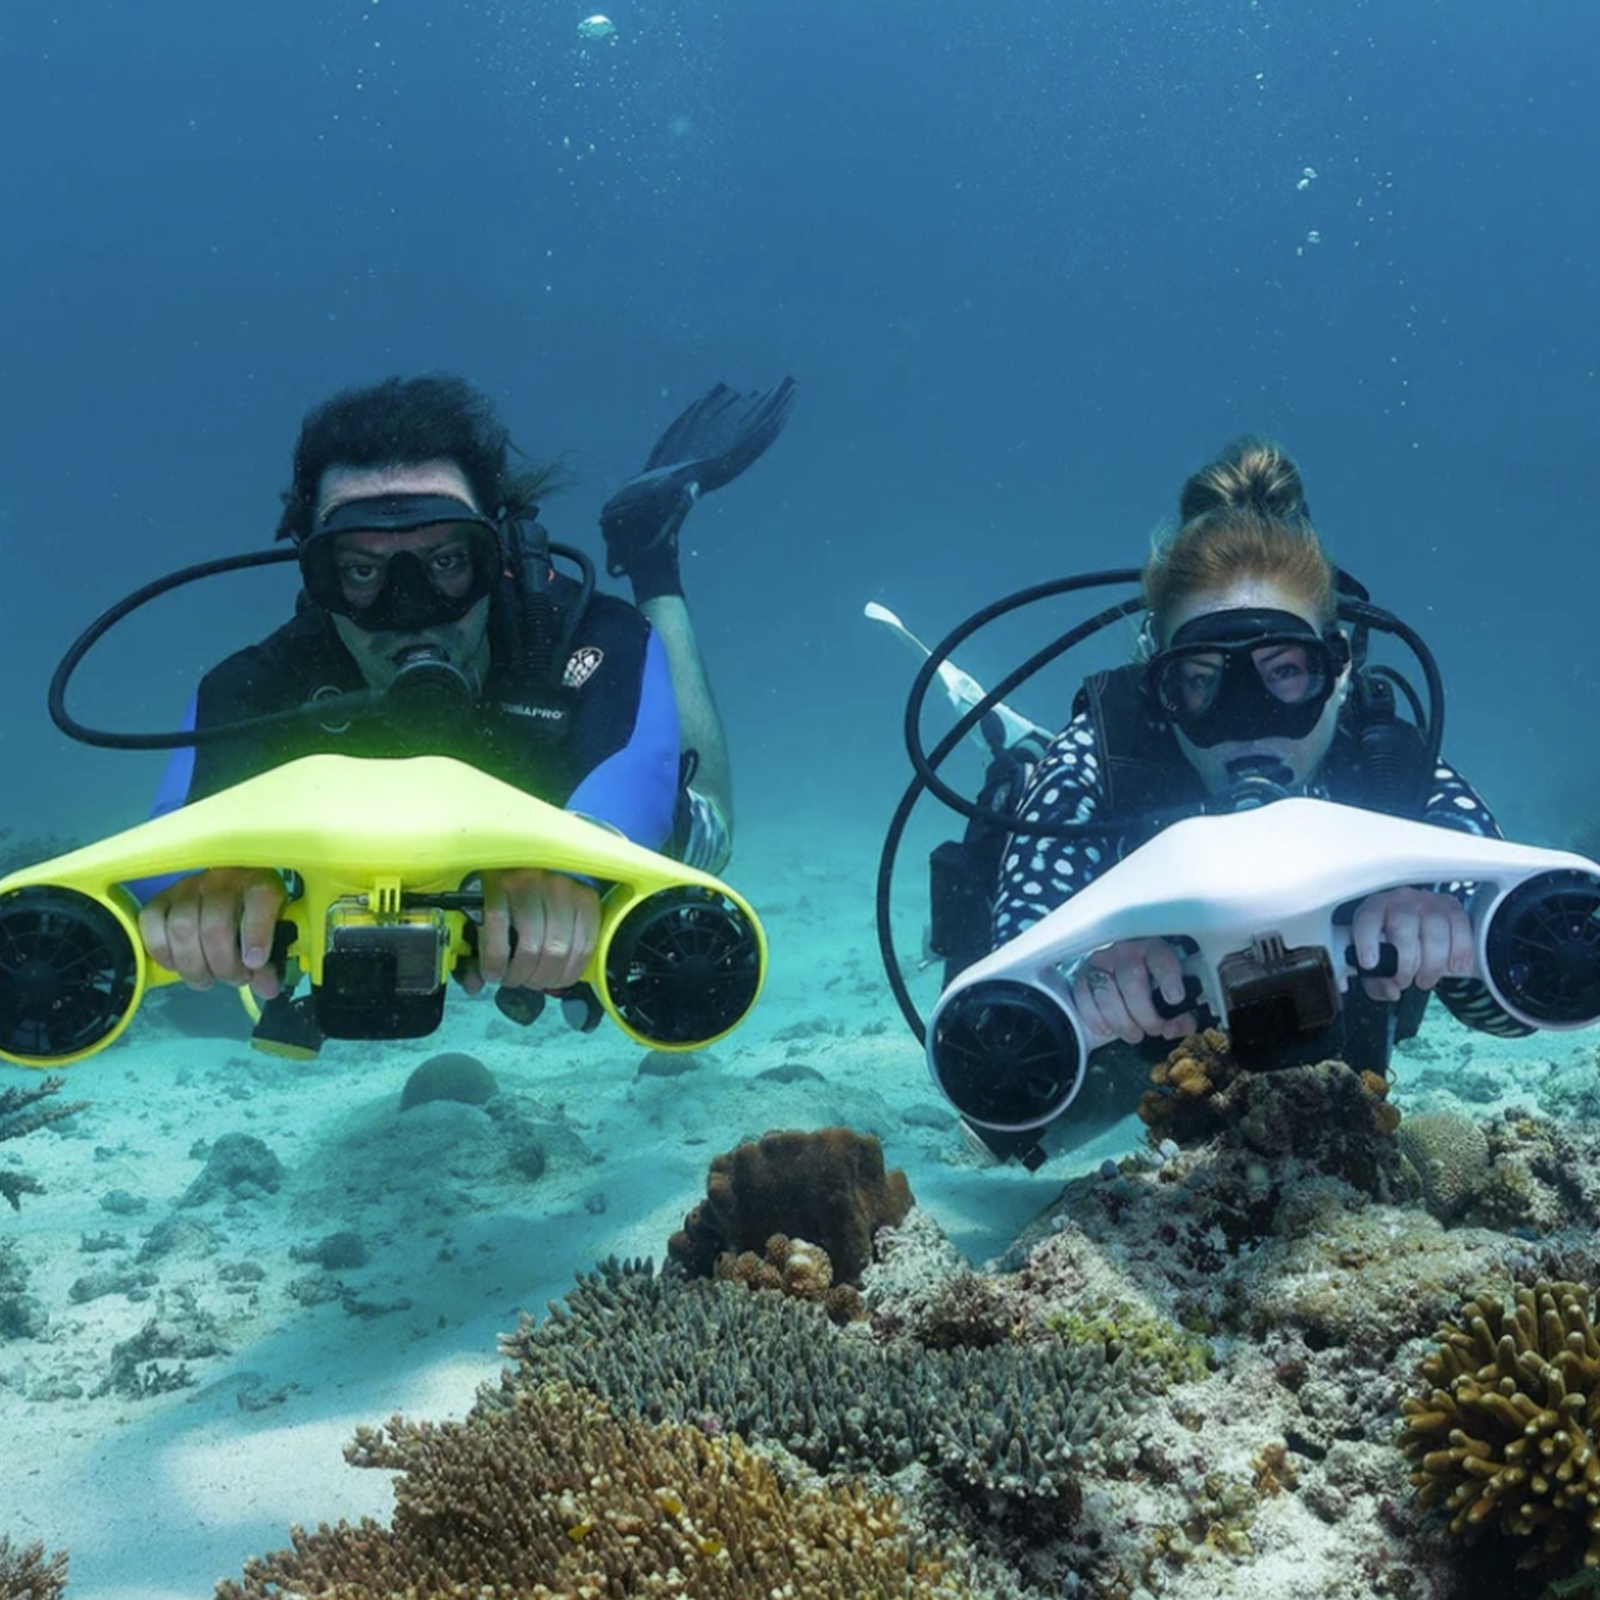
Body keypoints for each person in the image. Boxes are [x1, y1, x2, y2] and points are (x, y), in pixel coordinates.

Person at [137, 373, 794, 1004]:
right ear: (318, 576)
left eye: (447, 562)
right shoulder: (260, 682)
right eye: (363, 570)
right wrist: (200, 883)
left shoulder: (588, 639)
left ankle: (651, 554)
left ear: (498, 554)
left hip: (561, 791)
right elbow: (163, 843)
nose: (409, 608)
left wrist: (574, 867)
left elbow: (636, 782)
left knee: (709, 841)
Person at [988, 436, 1530, 1074]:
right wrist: (1083, 972)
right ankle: (1014, 756)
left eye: (1286, 672)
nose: (1246, 726)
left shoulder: (1384, 764)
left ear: (1340, 673)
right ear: (1156, 683)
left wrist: (1453, 934)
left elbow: (1525, 987)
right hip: (1140, 1076)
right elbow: (1003, 1011)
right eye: (1200, 678)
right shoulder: (1105, 756)